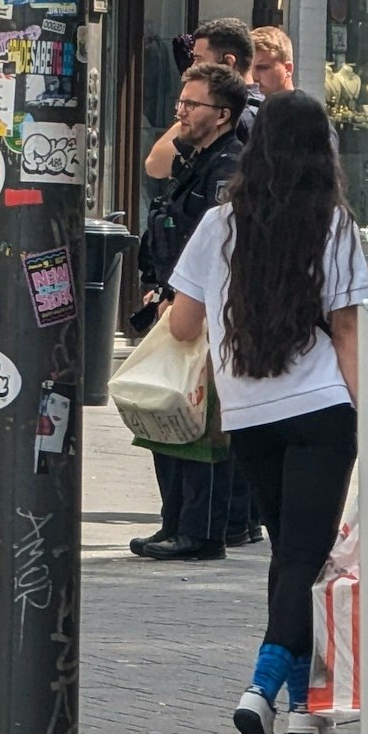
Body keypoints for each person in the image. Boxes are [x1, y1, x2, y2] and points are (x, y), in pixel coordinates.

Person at [164, 89, 368, 734]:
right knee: (306, 556)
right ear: (322, 153)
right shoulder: (333, 226)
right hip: (319, 412)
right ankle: (262, 685)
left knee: (291, 554)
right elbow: (347, 330)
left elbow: (182, 322)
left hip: (249, 415)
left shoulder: (220, 223)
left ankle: (310, 703)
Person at [131, 63, 247, 561]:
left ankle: (200, 532)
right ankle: (173, 521)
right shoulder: (192, 160)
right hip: (172, 301)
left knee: (197, 421)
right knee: (165, 411)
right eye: (180, 102)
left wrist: (185, 301)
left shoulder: (229, 168)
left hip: (204, 312)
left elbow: (214, 249)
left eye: (192, 105)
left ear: (221, 115)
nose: (181, 112)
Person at [145, 17, 262, 179]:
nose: (193, 66)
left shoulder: (220, 115)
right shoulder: (265, 113)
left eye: (199, 59)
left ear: (228, 63)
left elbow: (155, 165)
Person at [250, 26, 296, 98]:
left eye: (262, 68)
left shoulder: (307, 108)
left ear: (288, 69)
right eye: (249, 69)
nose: (254, 77)